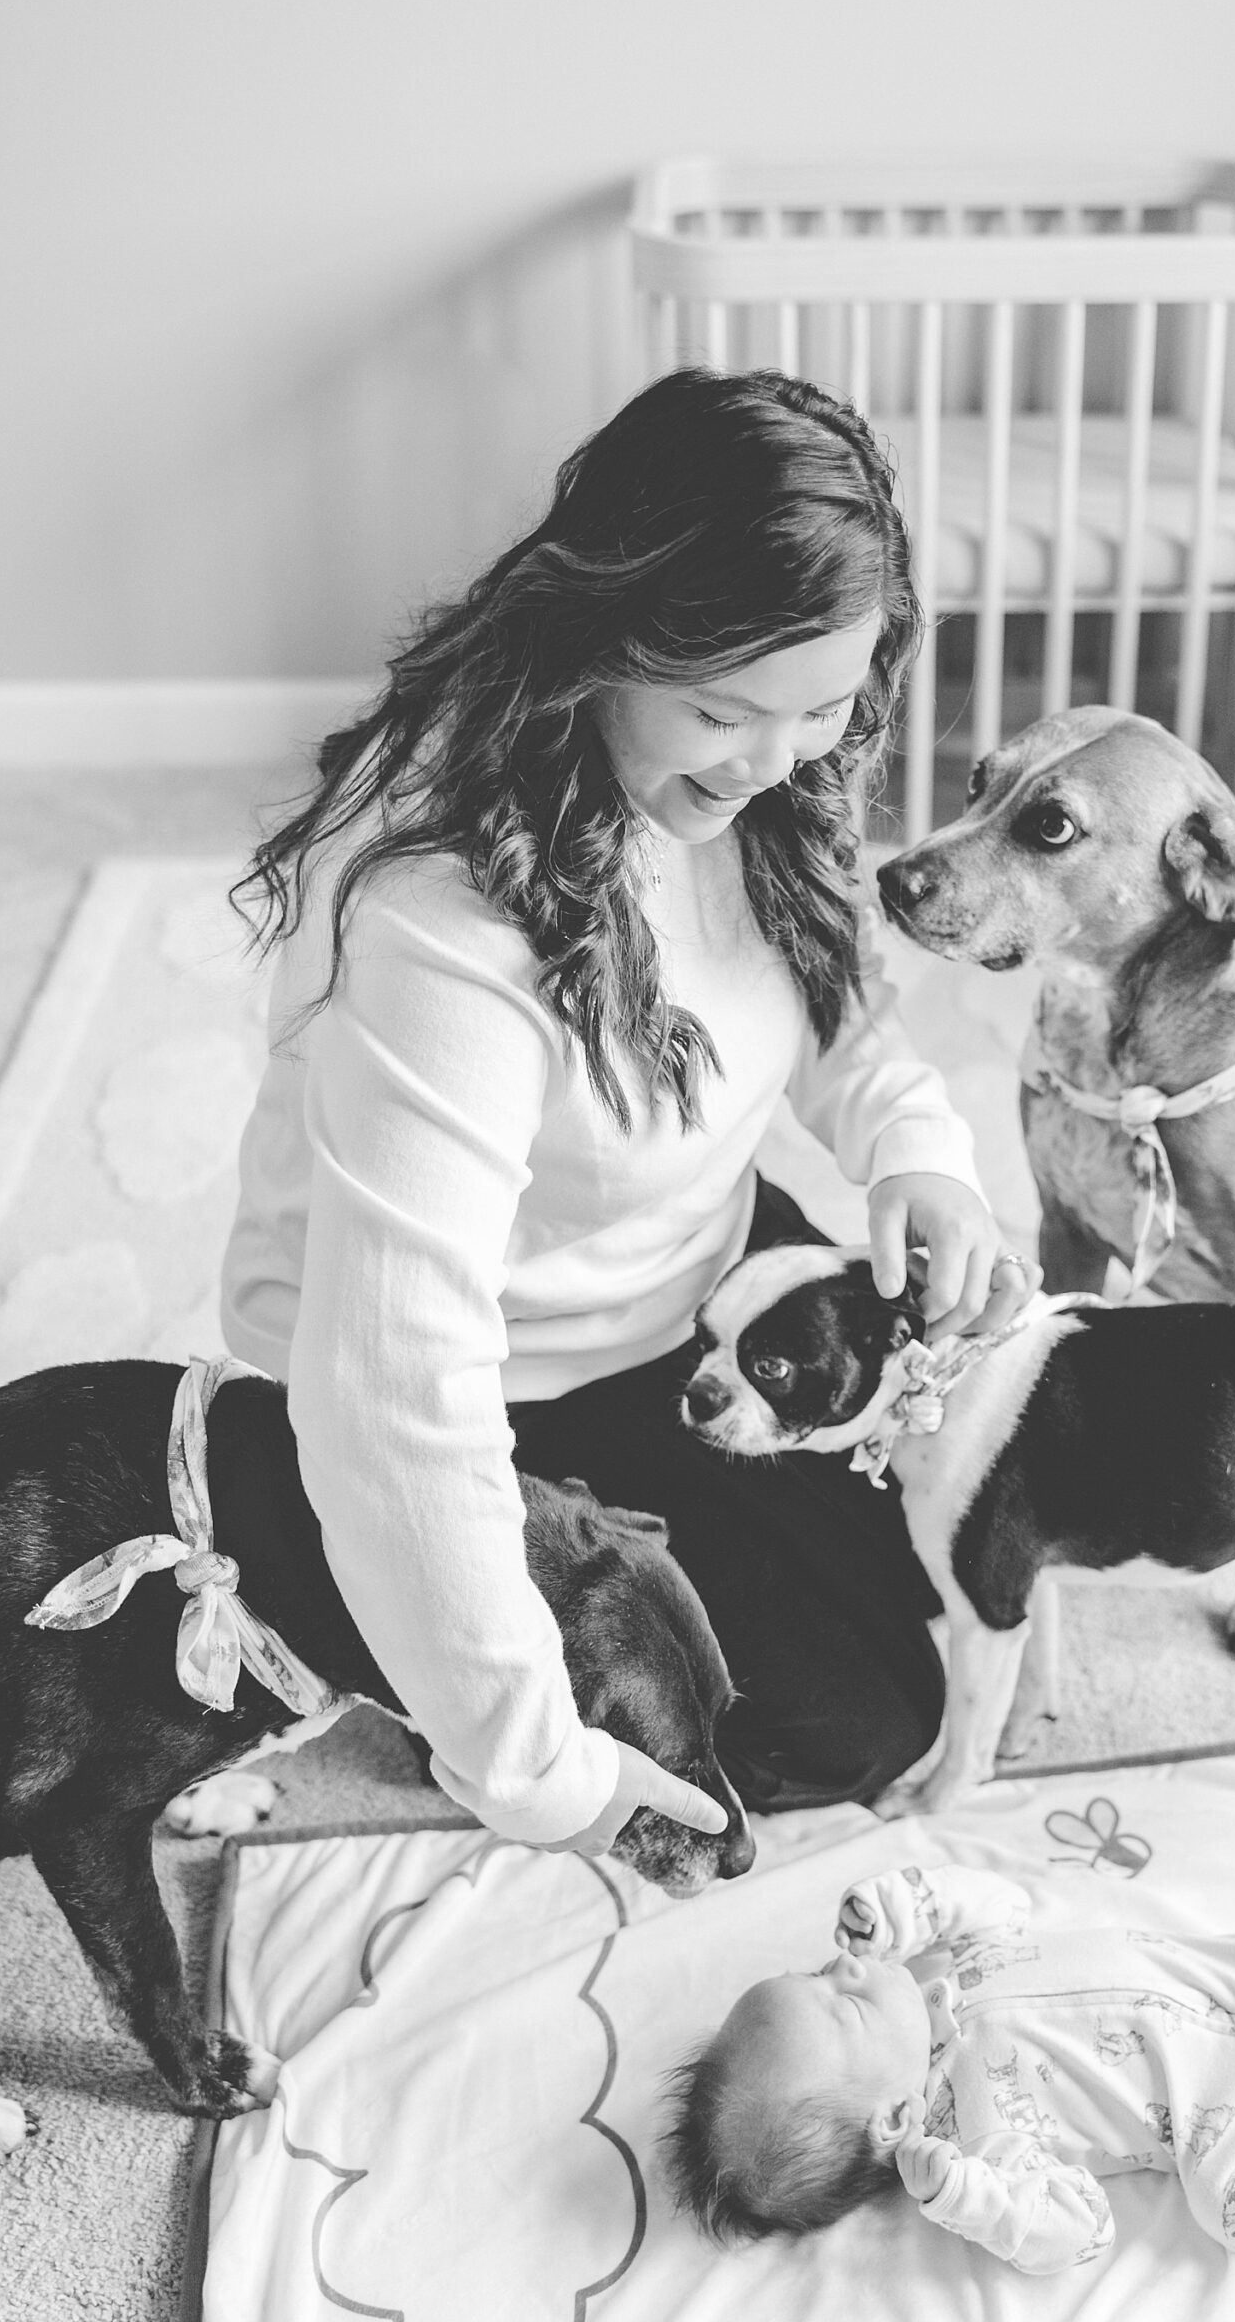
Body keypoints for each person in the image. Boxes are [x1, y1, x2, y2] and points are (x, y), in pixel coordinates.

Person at [221, 367, 1035, 1860]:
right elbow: (392, 1387)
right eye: (720, 710)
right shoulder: (437, 911)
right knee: (849, 1723)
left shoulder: (771, 771)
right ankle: (348, 1619)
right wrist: (531, 1765)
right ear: (600, 639)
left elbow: (829, 1012)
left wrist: (916, 1155)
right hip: (493, 1372)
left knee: (954, 1586)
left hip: (687, 1278)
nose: (772, 760)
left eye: (820, 708)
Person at [663, 1868, 1235, 2273]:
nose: (844, 1967)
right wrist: (971, 2201)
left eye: (822, 1973)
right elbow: (1076, 2234)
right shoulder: (974, 2137)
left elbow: (1005, 1903)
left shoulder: (943, 1966)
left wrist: (911, 1906)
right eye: (841, 2002)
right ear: (891, 2121)